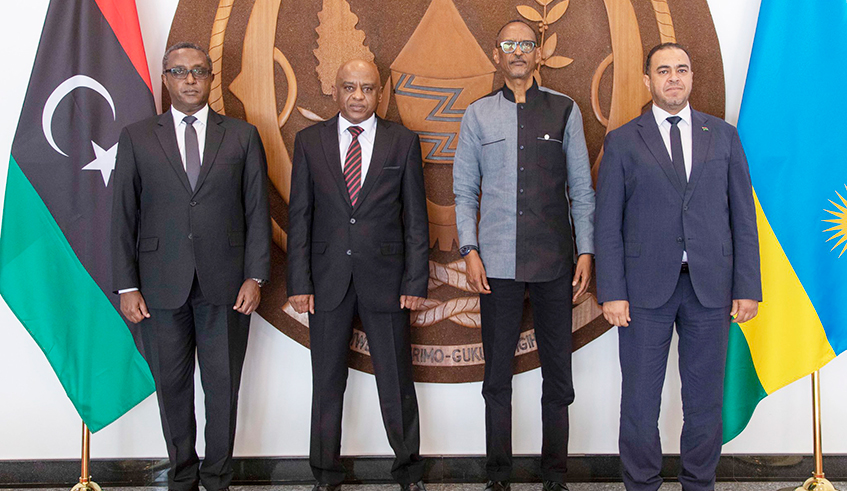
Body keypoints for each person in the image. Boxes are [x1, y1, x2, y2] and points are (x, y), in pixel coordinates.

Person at [594, 42, 761, 491]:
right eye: (663, 70)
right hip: (643, 293)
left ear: (691, 77)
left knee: (705, 403)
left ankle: (698, 484)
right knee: (640, 404)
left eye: (682, 69)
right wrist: (611, 290)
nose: (674, 78)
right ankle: (643, 485)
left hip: (711, 290)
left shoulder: (722, 136)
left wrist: (748, 285)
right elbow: (607, 223)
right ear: (648, 79)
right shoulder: (624, 140)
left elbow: (742, 216)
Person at [111, 42, 270, 491]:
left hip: (227, 284)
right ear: (166, 78)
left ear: (211, 77)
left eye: (199, 71)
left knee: (223, 389)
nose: (190, 79)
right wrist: (127, 285)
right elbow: (123, 215)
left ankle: (217, 477)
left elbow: (256, 212)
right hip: (158, 286)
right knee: (173, 388)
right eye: (180, 72)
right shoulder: (138, 137)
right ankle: (182, 477)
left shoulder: (242, 135)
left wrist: (255, 275)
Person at [453, 20, 595, 491]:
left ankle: (555, 475)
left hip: (556, 262)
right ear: (498, 54)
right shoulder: (476, 116)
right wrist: (469, 250)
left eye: (526, 44)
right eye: (509, 44)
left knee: (559, 376)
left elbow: (581, 189)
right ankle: (498, 477)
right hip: (496, 266)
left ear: (538, 54)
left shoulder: (565, 111)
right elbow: (464, 192)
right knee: (496, 378)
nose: (518, 52)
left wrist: (587, 249)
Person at [286, 59, 429, 491]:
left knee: (397, 381)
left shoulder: (402, 142)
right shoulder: (309, 142)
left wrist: (415, 282)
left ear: (379, 93)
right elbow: (300, 218)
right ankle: (326, 475)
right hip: (326, 280)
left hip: (387, 280)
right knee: (326, 383)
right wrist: (299, 283)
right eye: (349, 87)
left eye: (367, 88)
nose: (358, 96)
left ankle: (408, 473)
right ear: (335, 89)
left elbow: (416, 220)